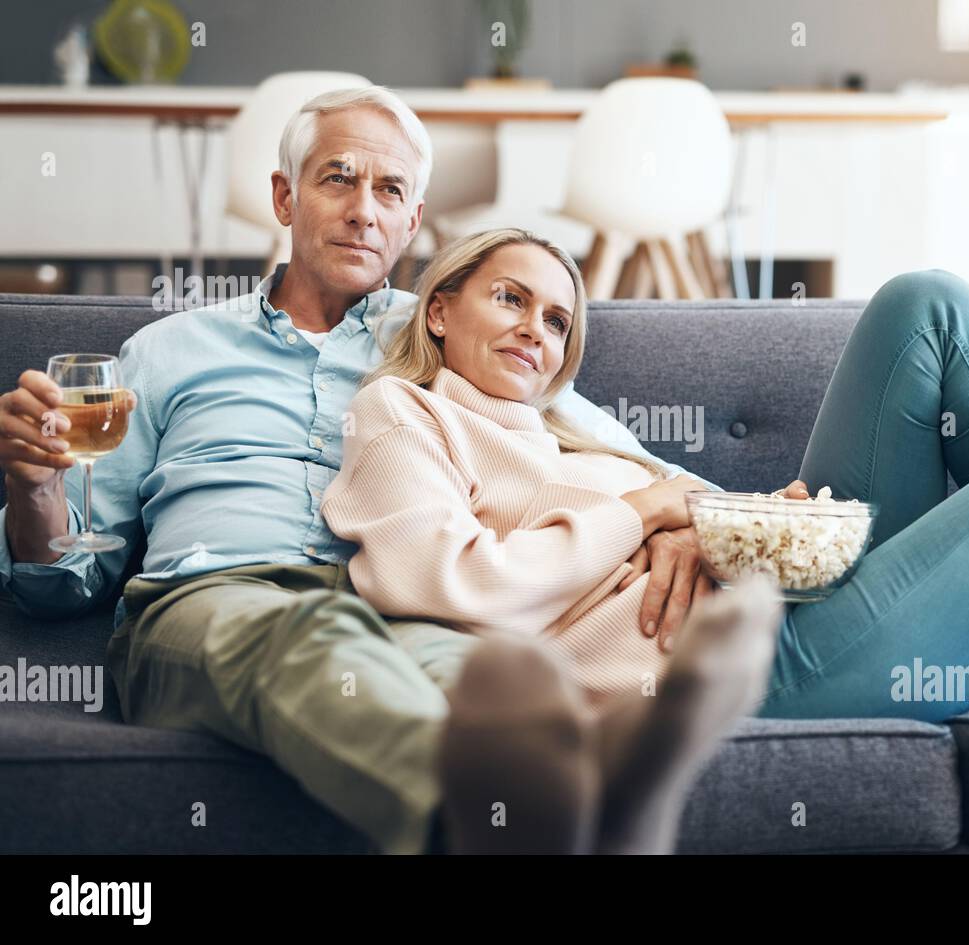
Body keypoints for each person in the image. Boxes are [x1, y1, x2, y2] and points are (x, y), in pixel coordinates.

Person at [324, 226, 969, 851]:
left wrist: (736, 516)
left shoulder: (571, 435)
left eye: (556, 319)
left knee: (929, 303)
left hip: (807, 590)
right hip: (768, 667)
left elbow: (702, 523)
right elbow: (443, 579)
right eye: (509, 300)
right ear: (438, 308)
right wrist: (651, 513)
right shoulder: (403, 417)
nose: (537, 328)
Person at [0, 86, 726, 856]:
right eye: (337, 178)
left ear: (413, 220)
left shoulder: (457, 330)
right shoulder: (168, 350)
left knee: (486, 685)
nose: (364, 210)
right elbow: (63, 580)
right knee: (311, 638)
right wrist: (32, 486)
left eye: (390, 190)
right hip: (211, 604)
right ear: (285, 196)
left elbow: (645, 468)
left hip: (403, 618)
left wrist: (684, 523)